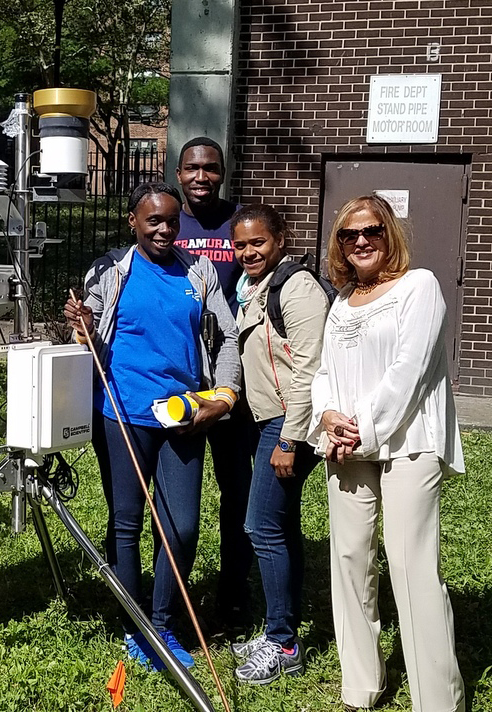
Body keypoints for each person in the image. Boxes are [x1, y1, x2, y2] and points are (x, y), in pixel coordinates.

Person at [64, 182, 241, 671]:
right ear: (133, 222)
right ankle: (134, 624)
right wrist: (81, 328)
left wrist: (224, 396)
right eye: (153, 220)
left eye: (171, 220)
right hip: (122, 413)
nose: (164, 229)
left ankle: (162, 622)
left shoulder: (198, 270)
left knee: (181, 526)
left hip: (183, 414)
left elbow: (227, 336)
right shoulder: (110, 270)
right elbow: (91, 345)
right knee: (127, 522)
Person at [308, 195, 465, 712]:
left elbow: (410, 372)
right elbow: (325, 372)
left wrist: (362, 428)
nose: (360, 241)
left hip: (407, 443)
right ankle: (360, 687)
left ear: (388, 233)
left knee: (412, 568)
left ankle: (438, 702)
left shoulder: (419, 287)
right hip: (348, 443)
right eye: (348, 235)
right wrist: (329, 415)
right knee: (350, 562)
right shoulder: (341, 302)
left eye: (371, 230)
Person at [227, 204, 329, 684]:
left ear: (281, 240)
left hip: (292, 423)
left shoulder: (297, 287)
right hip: (271, 420)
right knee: (281, 525)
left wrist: (289, 439)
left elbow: (310, 368)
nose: (248, 252)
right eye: (240, 244)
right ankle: (281, 627)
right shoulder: (253, 288)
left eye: (258, 243)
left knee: (260, 526)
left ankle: (283, 643)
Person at [175, 136, 256, 629]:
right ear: (178, 173)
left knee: (236, 491)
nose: (201, 177)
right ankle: (175, 592)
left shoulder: (238, 222)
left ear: (222, 173)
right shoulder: (166, 221)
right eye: (192, 168)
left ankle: (232, 594)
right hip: (180, 375)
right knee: (179, 492)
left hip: (232, 373)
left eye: (210, 168)